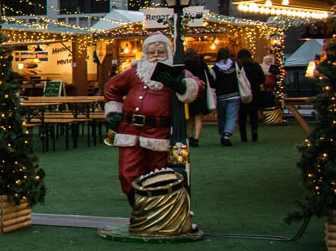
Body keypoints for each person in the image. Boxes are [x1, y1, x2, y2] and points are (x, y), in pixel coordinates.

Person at [102, 32, 201, 204]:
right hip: (130, 131)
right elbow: (112, 87)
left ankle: (155, 208)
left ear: (168, 53)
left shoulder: (175, 73)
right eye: (152, 52)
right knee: (127, 171)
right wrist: (113, 110)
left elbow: (198, 86)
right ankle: (137, 207)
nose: (156, 56)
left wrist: (181, 85)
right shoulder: (134, 73)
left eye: (160, 52)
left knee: (158, 173)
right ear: (145, 54)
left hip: (158, 133)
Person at [208, 47, 244, 147]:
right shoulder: (235, 65)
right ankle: (227, 134)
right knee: (231, 116)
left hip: (221, 96)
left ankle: (223, 132)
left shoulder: (215, 68)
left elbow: (212, 83)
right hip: (234, 95)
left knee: (222, 116)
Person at [181, 48, 211, 146]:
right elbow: (209, 76)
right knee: (198, 117)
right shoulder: (201, 63)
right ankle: (196, 138)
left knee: (190, 117)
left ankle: (190, 137)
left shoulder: (184, 63)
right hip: (200, 91)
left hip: (189, 92)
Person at [236, 48, 266, 143]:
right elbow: (262, 79)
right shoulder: (256, 66)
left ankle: (243, 136)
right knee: (253, 115)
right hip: (254, 92)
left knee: (242, 116)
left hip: (242, 93)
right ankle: (254, 132)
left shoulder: (239, 67)